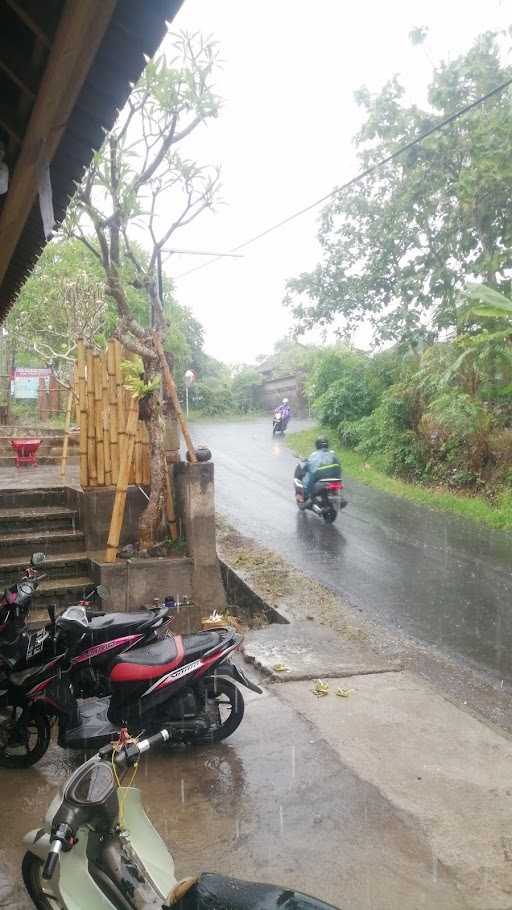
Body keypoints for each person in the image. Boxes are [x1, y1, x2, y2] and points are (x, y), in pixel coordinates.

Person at [300, 436, 341, 500]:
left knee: (310, 477)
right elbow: (338, 465)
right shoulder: (333, 453)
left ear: (317, 445)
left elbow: (309, 466)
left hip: (322, 478)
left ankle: (306, 494)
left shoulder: (315, 454)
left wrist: (304, 470)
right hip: (336, 478)